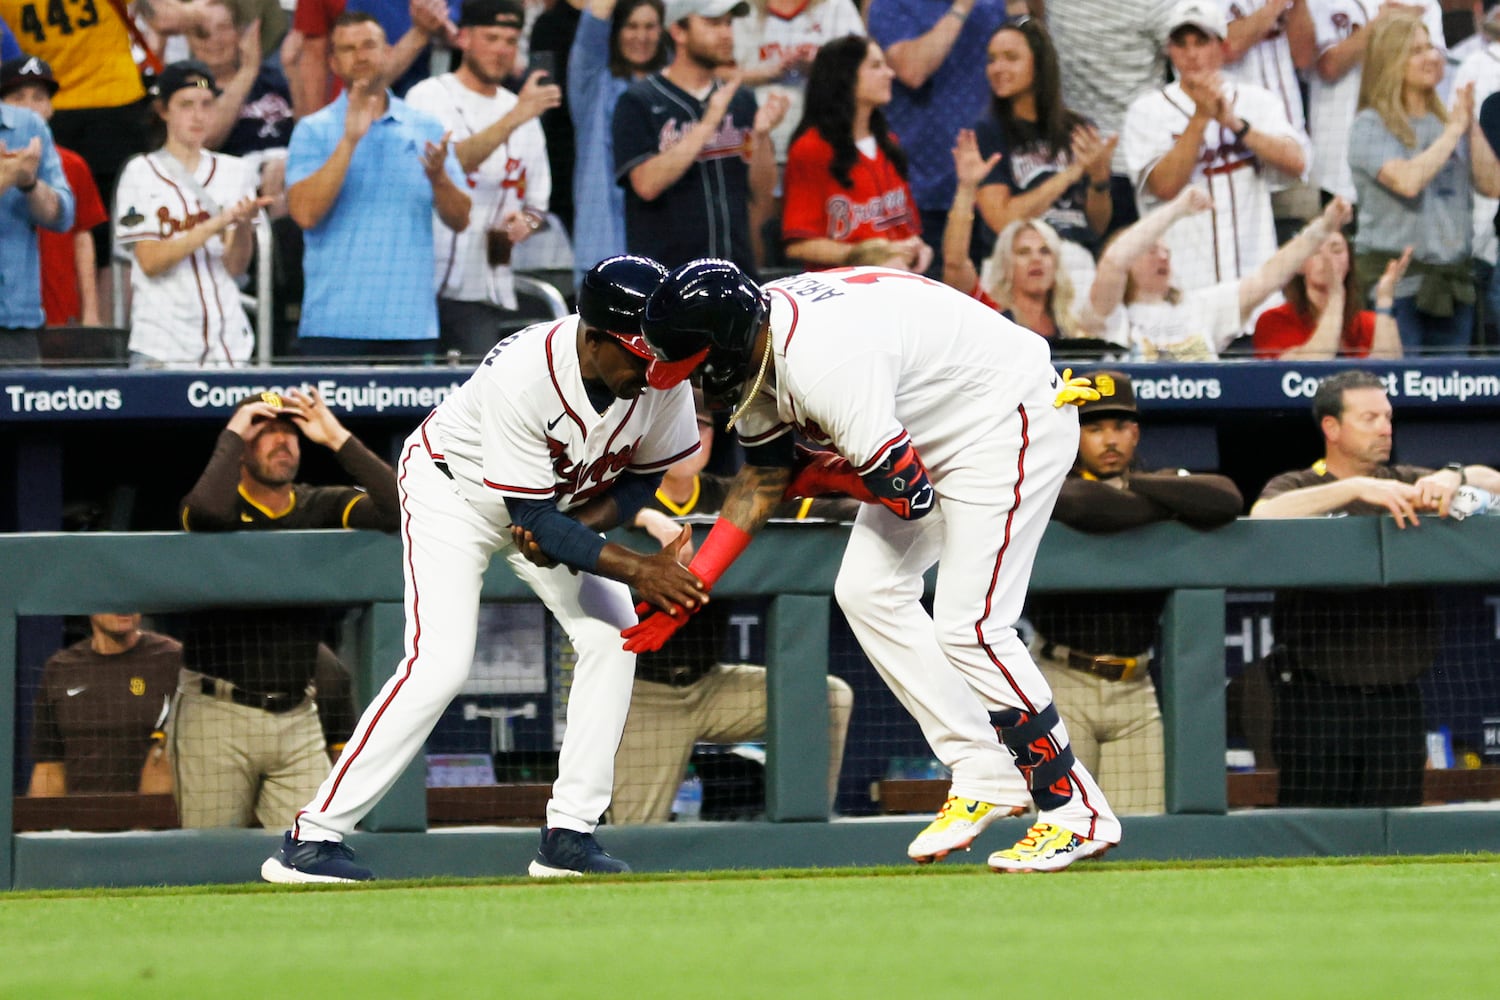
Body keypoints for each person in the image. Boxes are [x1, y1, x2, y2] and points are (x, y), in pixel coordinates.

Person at [623, 259, 1123, 873]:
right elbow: (763, 476)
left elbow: (909, 496)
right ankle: (985, 769)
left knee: (972, 626)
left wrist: (815, 469)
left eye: (694, 362)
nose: (690, 379)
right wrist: (695, 586)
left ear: (724, 341)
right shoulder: (759, 345)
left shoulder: (822, 360)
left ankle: (1076, 811)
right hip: (942, 423)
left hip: (1007, 417)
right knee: (867, 589)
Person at [261, 255, 708, 883]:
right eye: (640, 356)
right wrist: (633, 564)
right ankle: (311, 838)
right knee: (439, 665)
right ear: (597, 335)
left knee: (614, 636)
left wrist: (577, 529)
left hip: (552, 503)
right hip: (454, 492)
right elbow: (529, 515)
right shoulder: (526, 372)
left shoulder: (660, 374)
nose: (654, 372)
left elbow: (643, 474)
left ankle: (569, 835)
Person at [1250, 370, 1500, 807]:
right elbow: (1263, 518)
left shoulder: (1407, 478)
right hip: (1314, 699)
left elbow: (1489, 480)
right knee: (1316, 835)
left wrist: (1454, 476)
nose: (1386, 428)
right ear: (1332, 427)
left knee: (1395, 834)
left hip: (1396, 699)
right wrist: (1357, 487)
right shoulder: (1300, 483)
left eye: (1388, 416)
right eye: (1369, 418)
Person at [614, 395, 856, 823]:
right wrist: (645, 517)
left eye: (702, 427)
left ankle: (807, 831)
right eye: (679, 428)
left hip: (709, 686)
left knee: (829, 698)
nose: (692, 438)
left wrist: (881, 497)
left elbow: (817, 508)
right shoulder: (624, 494)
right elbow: (573, 510)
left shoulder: (733, 496)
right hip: (643, 695)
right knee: (634, 839)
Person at [175, 387, 400, 829]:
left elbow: (401, 506)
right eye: (266, 431)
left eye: (290, 432)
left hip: (298, 714)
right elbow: (201, 514)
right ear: (240, 446)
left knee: (312, 850)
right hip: (218, 711)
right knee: (211, 863)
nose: (283, 441)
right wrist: (234, 434)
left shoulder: (321, 504)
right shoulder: (222, 502)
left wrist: (337, 438)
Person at [1027, 371, 1241, 816]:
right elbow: (1085, 504)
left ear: (1136, 432)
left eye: (1120, 427)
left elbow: (1225, 498)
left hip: (1135, 686)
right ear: (1072, 429)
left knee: (1140, 835)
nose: (1110, 439)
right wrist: (1158, 503)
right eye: (1095, 427)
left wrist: (1136, 485)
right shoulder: (1050, 477)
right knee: (1058, 824)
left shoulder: (1153, 479)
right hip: (1062, 678)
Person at [286, 11, 471, 359]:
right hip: (332, 328)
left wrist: (439, 179)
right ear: (333, 62)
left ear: (387, 51)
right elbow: (305, 214)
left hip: (411, 328)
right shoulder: (312, 130)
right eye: (348, 48)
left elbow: (461, 219)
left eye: (369, 45)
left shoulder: (426, 127)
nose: (360, 55)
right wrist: (349, 141)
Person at [1122, 0, 1309, 302]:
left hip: (1255, 292)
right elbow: (1164, 186)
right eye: (1181, 44)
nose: (1192, 54)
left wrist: (1236, 125)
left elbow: (1297, 163)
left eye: (1201, 42)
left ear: (1221, 46)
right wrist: (1200, 119)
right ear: (1169, 50)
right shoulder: (1147, 111)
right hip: (1183, 294)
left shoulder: (1257, 101)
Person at [407, 0, 561, 359]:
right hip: (421, 287)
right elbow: (447, 165)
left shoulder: (524, 111)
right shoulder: (427, 95)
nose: (502, 50)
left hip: (485, 288)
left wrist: (526, 222)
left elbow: (537, 204)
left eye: (511, 40)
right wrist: (517, 116)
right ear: (463, 38)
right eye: (491, 38)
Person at [1349, 12, 1500, 355]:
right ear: (1390, 60)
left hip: (1453, 289)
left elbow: (1493, 185)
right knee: (1396, 396)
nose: (1431, 57)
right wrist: (1453, 131)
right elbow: (1408, 181)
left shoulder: (1449, 121)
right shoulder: (1370, 126)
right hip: (1394, 291)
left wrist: (1468, 124)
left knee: (1451, 400)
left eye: (1430, 47)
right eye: (1416, 50)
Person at [611, 0, 787, 274]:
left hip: (735, 272)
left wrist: (762, 136)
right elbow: (646, 184)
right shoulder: (639, 101)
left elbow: (761, 194)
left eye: (728, 23)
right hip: (667, 282)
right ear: (679, 31)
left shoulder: (740, 100)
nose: (726, 33)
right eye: (712, 23)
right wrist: (708, 123)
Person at [114, 61, 269, 367]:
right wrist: (217, 223)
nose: (198, 116)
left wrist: (240, 228)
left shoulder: (235, 171)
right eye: (186, 105)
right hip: (161, 347)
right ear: (163, 110)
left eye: (206, 104)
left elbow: (236, 266)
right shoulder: (140, 172)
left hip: (228, 348)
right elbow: (151, 261)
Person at [1083, 186, 1352, 360]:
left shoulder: (1199, 306)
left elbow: (1268, 277)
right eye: (1151, 250)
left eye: (1166, 250)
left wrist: (1323, 228)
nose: (1163, 255)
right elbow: (1113, 261)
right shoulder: (1110, 315)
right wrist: (1177, 210)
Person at [971, 17, 1114, 295]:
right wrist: (1071, 174)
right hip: (1016, 267)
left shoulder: (1079, 129)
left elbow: (1096, 225)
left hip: (1076, 260)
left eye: (1011, 58)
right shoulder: (988, 132)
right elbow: (1002, 220)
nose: (997, 68)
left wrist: (1098, 178)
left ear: (1040, 64)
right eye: (992, 60)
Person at [864, 0, 1008, 273]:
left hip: (990, 187)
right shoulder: (890, 5)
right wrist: (961, 7)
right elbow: (912, 70)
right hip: (919, 189)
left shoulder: (992, 5)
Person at [779, 35, 929, 272]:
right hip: (845, 291)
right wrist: (865, 255)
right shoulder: (811, 149)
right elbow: (798, 245)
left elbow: (909, 230)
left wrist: (919, 250)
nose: (889, 74)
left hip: (898, 285)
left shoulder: (888, 143)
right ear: (845, 77)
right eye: (876, 66)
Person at [945, 128, 1092, 339]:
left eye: (1044, 252)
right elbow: (954, 263)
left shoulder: (1072, 328)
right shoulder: (990, 312)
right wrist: (967, 187)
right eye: (1023, 252)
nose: (1036, 259)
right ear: (1006, 264)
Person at [567, 0, 667, 287]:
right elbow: (592, 25)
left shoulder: (671, 88)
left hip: (665, 249)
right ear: (616, 31)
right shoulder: (592, 82)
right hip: (603, 249)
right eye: (631, 26)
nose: (642, 36)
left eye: (650, 26)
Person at [1306, 0, 1445, 204]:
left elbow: (1437, 70)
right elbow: (1329, 67)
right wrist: (1384, 24)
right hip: (1339, 160)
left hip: (1410, 149)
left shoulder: (1422, 3)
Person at [28, 614, 181, 797]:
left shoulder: (173, 660)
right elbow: (49, 765)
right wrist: (39, 825)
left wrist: (145, 823)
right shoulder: (60, 669)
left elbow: (172, 755)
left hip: (152, 821)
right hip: (77, 821)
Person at [0, 56, 102, 328]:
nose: (31, 107)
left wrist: (91, 311)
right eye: (19, 97)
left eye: (39, 97)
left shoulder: (69, 161)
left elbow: (75, 228)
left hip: (29, 310)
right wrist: (9, 175)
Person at [0, 67, 72, 362]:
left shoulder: (28, 126)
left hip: (15, 318)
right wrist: (9, 175)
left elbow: (62, 216)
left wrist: (29, 182)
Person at [1253, 231, 1408, 358]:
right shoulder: (1274, 321)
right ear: (1299, 264)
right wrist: (1335, 296)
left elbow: (1391, 374)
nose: (1327, 259)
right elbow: (1310, 370)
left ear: (1349, 262)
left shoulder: (1368, 323)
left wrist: (1385, 298)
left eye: (1336, 250)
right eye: (1316, 251)